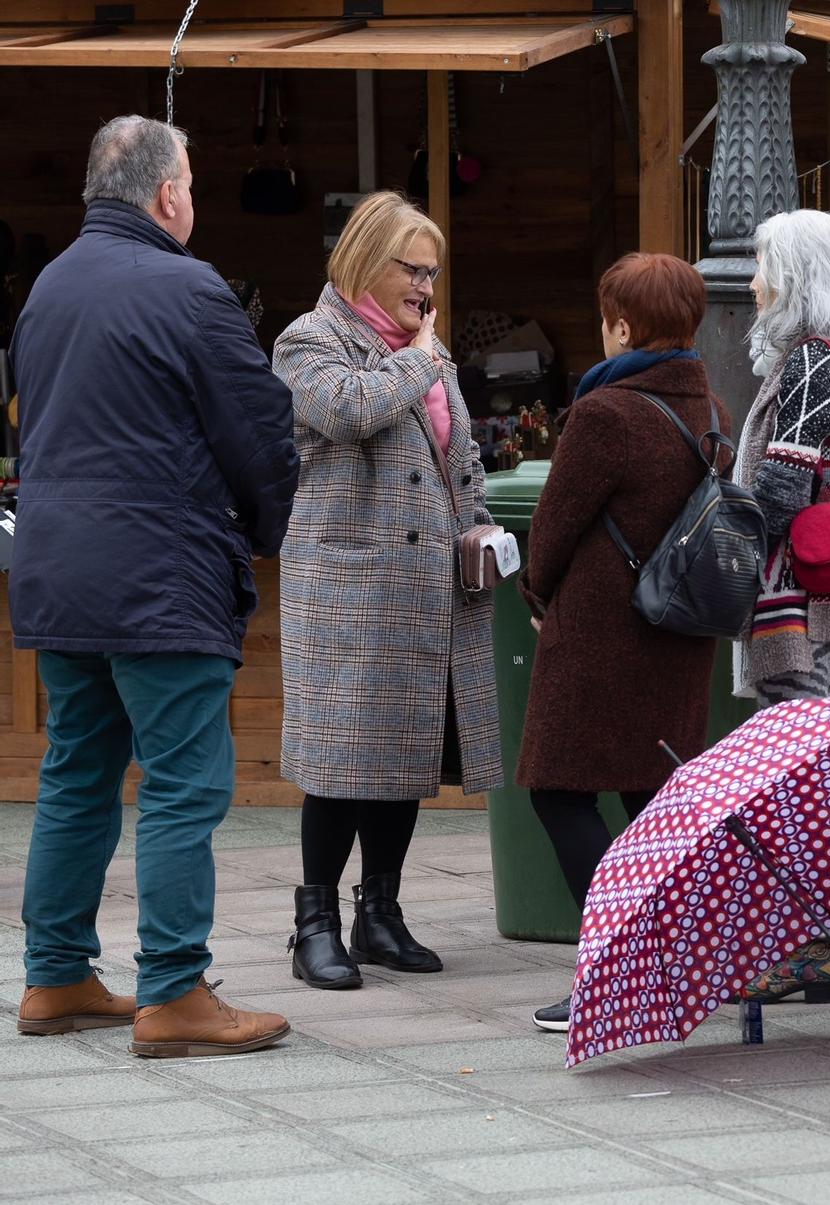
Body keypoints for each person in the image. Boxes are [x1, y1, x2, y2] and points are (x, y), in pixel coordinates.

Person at [11, 116, 299, 1057]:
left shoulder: (47, 287)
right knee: (182, 781)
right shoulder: (190, 287)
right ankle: (174, 991)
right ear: (167, 196)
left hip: (60, 571)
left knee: (77, 772)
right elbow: (259, 437)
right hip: (161, 571)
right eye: (192, 185)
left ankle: (54, 976)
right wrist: (264, 536)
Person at [270, 191, 502, 990]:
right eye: (414, 269)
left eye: (434, 273)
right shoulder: (312, 338)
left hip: (429, 585)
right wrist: (420, 361)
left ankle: (380, 913)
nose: (426, 287)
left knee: (403, 757)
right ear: (368, 257)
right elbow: (347, 410)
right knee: (342, 763)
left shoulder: (423, 352)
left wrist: (477, 526)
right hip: (352, 588)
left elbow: (457, 457)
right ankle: (314, 924)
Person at [515, 253, 725, 1033]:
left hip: (600, 638)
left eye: (607, 314)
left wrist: (537, 595)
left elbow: (551, 532)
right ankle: (671, 960)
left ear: (625, 325)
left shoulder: (604, 415)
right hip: (678, 632)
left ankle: (617, 961)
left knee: (559, 789)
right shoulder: (709, 406)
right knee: (648, 797)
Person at [732, 208, 830, 1002]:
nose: (753, 282)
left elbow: (783, 491)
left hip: (792, 592)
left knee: (796, 769)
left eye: (763, 266)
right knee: (813, 757)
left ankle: (809, 944)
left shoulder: (809, 366)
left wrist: (723, 524)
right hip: (821, 589)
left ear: (793, 279)